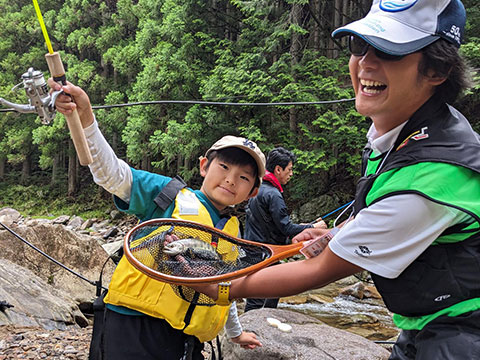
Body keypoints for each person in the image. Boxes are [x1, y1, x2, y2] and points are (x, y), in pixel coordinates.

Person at [194, 1, 480, 359]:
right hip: (424, 324)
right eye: (361, 47)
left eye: (390, 52)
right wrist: (339, 233)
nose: (366, 64)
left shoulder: (431, 177)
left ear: (437, 70)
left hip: (462, 334)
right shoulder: (410, 131)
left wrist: (218, 286)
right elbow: (378, 210)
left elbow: (319, 269)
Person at [49, 81, 264, 359]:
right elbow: (110, 174)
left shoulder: (231, 231)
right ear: (204, 166)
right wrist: (86, 117)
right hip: (132, 325)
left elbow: (224, 291)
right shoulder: (167, 193)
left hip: (185, 340)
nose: (230, 179)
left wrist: (235, 333)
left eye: (244, 177)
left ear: (253, 192)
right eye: (224, 166)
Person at [243, 146, 326, 312]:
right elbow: (286, 228)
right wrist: (313, 227)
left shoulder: (257, 190)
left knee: (256, 297)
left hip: (252, 251)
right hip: (266, 253)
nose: (291, 173)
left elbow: (273, 226)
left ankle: (252, 329)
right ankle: (260, 332)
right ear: (278, 169)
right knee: (269, 295)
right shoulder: (273, 194)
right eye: (289, 169)